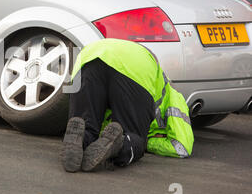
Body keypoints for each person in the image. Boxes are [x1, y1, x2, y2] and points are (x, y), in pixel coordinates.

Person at [61, 38, 194, 172]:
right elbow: (182, 147)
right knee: (133, 138)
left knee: (86, 125)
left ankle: (82, 137)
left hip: (88, 56)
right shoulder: (172, 93)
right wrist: (147, 142)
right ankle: (121, 145)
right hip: (137, 66)